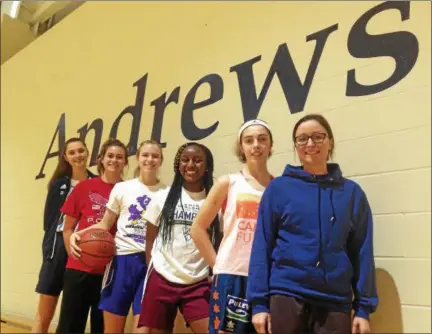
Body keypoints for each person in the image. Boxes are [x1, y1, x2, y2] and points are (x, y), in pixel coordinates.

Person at [247, 114, 378, 334]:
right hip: (286, 295)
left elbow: (362, 252)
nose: (310, 144)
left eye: (318, 137)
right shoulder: (278, 189)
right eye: (302, 139)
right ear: (295, 146)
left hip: (335, 300)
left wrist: (363, 308)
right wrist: (258, 304)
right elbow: (262, 246)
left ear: (330, 141)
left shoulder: (352, 194)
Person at [69, 140, 167, 333]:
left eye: (155, 156)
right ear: (138, 158)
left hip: (150, 264)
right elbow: (105, 224)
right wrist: (78, 234)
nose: (150, 159)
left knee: (143, 330)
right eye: (145, 155)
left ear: (161, 160)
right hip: (121, 261)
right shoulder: (123, 188)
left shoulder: (167, 192)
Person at [191, 119, 274, 334]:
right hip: (231, 275)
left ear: (270, 145)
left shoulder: (279, 187)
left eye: (262, 139)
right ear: (241, 147)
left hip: (266, 279)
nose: (256, 144)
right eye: (249, 140)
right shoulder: (228, 183)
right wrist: (217, 264)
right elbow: (197, 229)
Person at [138, 142, 220, 333]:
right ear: (178, 165)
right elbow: (150, 238)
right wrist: (154, 267)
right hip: (162, 276)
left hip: (197, 280)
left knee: (212, 330)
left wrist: (212, 271)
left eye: (198, 160)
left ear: (207, 166)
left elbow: (218, 240)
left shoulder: (214, 201)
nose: (191, 165)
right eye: (185, 160)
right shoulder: (162, 197)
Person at [56, 138, 129, 334]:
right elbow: (68, 228)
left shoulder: (129, 191)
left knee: (102, 328)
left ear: (125, 162)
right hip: (79, 267)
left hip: (109, 271)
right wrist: (74, 253)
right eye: (110, 156)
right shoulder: (83, 187)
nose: (114, 160)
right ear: (101, 160)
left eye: (119, 157)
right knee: (70, 327)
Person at [33, 138, 95, 333]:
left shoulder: (96, 182)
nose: (78, 155)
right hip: (57, 248)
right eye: (73, 152)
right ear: (66, 157)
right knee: (45, 311)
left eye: (81, 151)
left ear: (87, 152)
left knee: (71, 313)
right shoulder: (58, 184)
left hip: (82, 250)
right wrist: (49, 251)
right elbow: (49, 222)